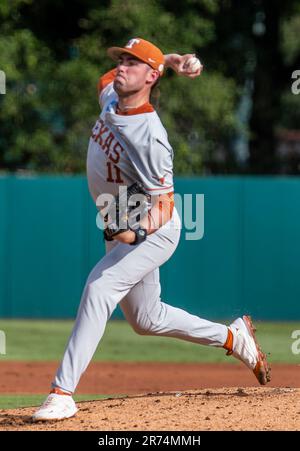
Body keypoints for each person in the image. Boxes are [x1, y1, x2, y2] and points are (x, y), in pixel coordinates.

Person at [32, 38, 270, 421]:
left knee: (99, 287)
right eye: (122, 59)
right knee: (147, 319)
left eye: (133, 62)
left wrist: (138, 232)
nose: (122, 66)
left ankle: (62, 392)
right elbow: (104, 79)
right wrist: (171, 60)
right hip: (122, 221)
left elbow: (165, 203)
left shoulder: (151, 136)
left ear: (150, 76)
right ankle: (233, 338)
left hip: (153, 230)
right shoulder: (112, 96)